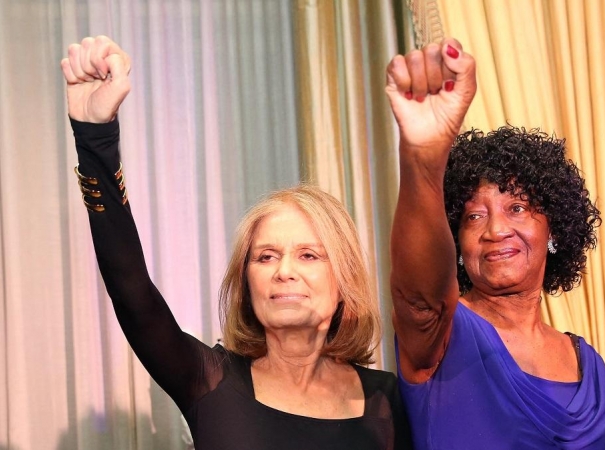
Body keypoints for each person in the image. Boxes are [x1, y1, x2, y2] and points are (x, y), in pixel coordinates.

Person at [62, 35, 412, 450]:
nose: (284, 271)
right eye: (265, 256)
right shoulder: (209, 379)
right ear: (247, 283)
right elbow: (131, 290)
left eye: (308, 254)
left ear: (344, 281)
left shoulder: (387, 398)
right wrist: (94, 134)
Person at [385, 38, 605, 449]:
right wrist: (423, 158)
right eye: (473, 216)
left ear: (555, 229)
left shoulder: (590, 367)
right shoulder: (443, 330)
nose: (494, 230)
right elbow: (420, 298)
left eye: (518, 209)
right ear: (455, 240)